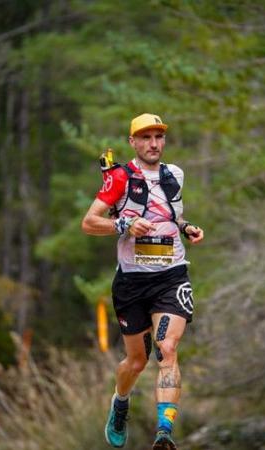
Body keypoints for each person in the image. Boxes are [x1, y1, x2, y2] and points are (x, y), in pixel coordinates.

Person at [82, 113, 204, 450]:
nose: (153, 144)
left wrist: (186, 227)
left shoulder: (174, 174)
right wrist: (124, 225)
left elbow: (173, 214)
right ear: (133, 142)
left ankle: (164, 431)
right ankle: (120, 402)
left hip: (171, 276)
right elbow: (89, 223)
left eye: (158, 137)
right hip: (132, 283)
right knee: (137, 361)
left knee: (167, 348)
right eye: (146, 138)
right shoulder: (120, 177)